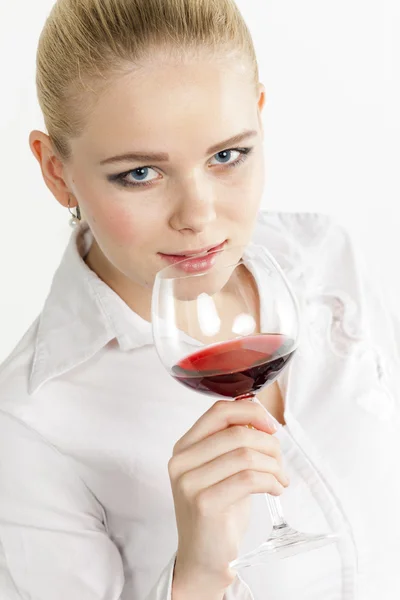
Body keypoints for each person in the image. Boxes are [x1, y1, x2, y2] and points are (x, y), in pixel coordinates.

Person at [0, 0, 399, 598]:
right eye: (140, 173)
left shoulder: (324, 256)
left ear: (260, 119)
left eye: (226, 156)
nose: (199, 216)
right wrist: (199, 572)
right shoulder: (30, 424)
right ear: (57, 172)